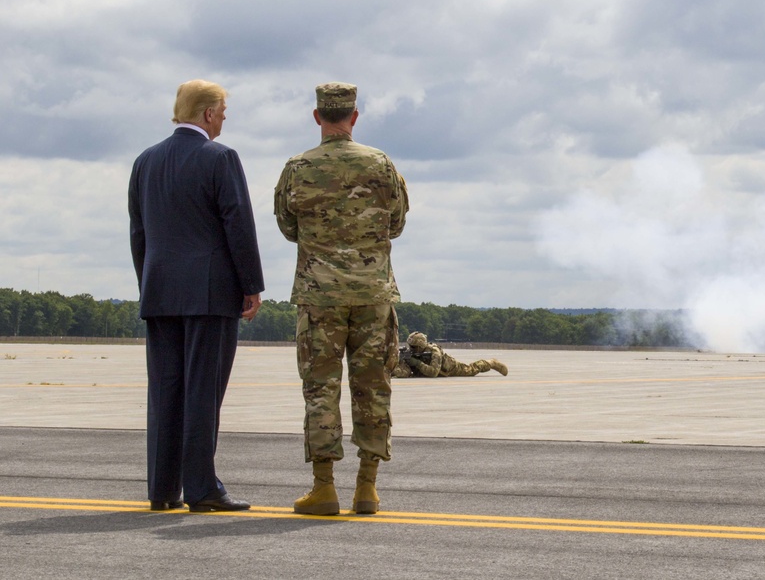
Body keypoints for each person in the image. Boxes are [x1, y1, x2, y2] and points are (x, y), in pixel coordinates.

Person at [128, 79, 265, 513]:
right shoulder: (220, 157)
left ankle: (162, 488)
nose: (225, 117)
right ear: (207, 113)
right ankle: (202, 488)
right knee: (202, 392)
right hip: (210, 293)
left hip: (160, 290)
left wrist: (149, 282)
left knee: (165, 392)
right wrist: (251, 285)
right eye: (223, 110)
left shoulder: (144, 161)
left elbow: (139, 234)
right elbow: (237, 223)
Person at [274, 82, 408, 516]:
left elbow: (288, 227)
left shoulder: (298, 168)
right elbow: (398, 222)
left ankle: (324, 488)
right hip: (372, 295)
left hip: (320, 298)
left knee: (320, 391)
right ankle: (367, 489)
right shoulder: (381, 165)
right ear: (354, 116)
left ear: (317, 117)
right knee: (373, 389)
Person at [394, 332, 508, 378]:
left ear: (421, 345)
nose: (411, 349)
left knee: (471, 370)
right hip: (439, 372)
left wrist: (417, 363)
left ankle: (491, 363)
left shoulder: (434, 352)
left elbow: (433, 373)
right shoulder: (412, 353)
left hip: (451, 368)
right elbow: (405, 373)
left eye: (413, 347)